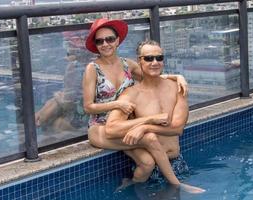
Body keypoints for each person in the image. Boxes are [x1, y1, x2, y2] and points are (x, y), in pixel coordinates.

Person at [82, 18, 202, 193]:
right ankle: (176, 184)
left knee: (147, 163)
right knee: (150, 138)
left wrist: (177, 77)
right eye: (100, 41)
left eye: (109, 39)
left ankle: (131, 185)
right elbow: (88, 107)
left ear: (117, 40)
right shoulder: (92, 69)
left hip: (127, 123)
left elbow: (152, 71)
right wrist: (119, 104)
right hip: (101, 125)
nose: (105, 44)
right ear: (95, 44)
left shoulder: (127, 64)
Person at [35, 31, 90, 132]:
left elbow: (68, 103)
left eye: (69, 44)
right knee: (50, 104)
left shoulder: (74, 68)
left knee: (54, 123)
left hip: (85, 116)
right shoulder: (87, 64)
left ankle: (35, 126)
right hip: (81, 109)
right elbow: (70, 98)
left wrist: (57, 97)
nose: (67, 47)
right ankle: (37, 121)